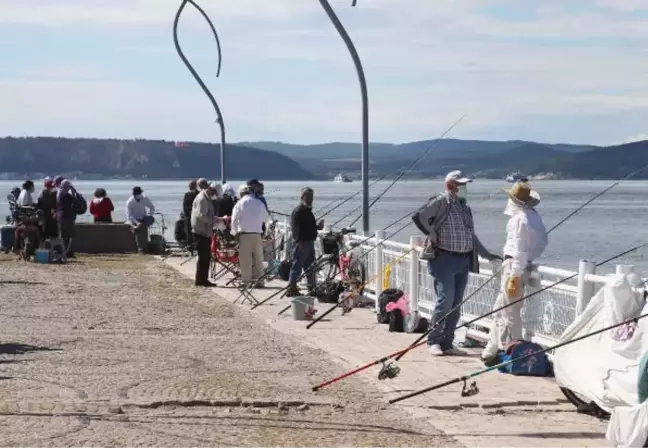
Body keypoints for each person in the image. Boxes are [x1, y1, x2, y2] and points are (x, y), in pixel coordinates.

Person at [412, 170, 501, 356]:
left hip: (463, 260)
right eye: (461, 185)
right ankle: (433, 341)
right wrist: (431, 233)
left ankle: (447, 343)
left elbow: (471, 237)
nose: (465, 188)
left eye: (465, 185)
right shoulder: (441, 202)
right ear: (450, 186)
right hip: (443, 258)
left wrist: (488, 255)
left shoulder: (464, 207)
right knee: (445, 301)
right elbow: (419, 216)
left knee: (456, 304)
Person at [481, 182, 548, 364]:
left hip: (513, 267)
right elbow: (542, 243)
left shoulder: (519, 220)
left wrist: (514, 276)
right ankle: (492, 349)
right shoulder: (534, 217)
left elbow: (518, 250)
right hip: (523, 266)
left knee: (511, 313)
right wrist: (527, 262)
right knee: (499, 310)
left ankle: (515, 353)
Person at [286, 187, 324, 297]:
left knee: (311, 267)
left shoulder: (307, 211)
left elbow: (309, 226)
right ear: (302, 197)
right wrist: (299, 240)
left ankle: (312, 287)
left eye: (311, 196)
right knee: (297, 266)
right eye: (308, 196)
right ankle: (291, 288)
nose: (310, 199)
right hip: (302, 243)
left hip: (310, 242)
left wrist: (318, 227)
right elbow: (295, 227)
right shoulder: (298, 210)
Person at [231, 184, 268, 288]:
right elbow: (266, 218)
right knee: (258, 259)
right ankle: (260, 281)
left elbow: (234, 220)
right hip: (257, 235)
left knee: (245, 259)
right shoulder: (259, 202)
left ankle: (246, 281)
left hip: (245, 235)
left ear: (241, 193)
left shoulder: (240, 203)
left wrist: (234, 233)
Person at [191, 182, 219, 287]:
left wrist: (216, 219)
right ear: (211, 190)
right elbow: (201, 216)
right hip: (200, 232)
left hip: (204, 231)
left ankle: (203, 279)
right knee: (204, 257)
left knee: (205, 257)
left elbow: (208, 214)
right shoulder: (202, 199)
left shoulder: (206, 198)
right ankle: (200, 280)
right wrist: (213, 221)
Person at [125, 186, 156, 254]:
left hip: (144, 219)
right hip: (133, 220)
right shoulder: (130, 202)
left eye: (141, 193)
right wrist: (137, 222)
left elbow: (152, 207)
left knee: (151, 219)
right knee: (141, 228)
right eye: (139, 194)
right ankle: (141, 248)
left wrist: (150, 215)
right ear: (135, 194)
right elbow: (129, 216)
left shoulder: (144, 198)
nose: (140, 195)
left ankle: (141, 247)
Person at [56, 180, 79, 258]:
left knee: (63, 236)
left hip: (60, 217)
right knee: (73, 235)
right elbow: (75, 200)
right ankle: (68, 251)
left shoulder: (59, 193)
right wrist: (74, 191)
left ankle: (61, 252)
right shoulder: (66, 195)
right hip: (67, 217)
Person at [183, 179, 199, 253]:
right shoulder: (187, 195)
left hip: (197, 217)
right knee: (188, 233)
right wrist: (190, 213)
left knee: (197, 233)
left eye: (192, 185)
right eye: (189, 185)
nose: (190, 186)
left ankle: (197, 248)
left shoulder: (199, 194)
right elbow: (185, 207)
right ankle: (190, 249)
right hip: (189, 217)